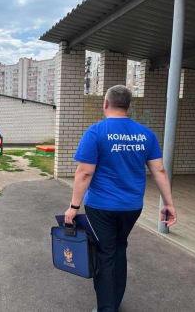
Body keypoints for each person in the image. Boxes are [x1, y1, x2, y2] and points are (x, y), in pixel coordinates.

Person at [64, 85, 177, 312]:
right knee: (118, 249)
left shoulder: (96, 132)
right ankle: (114, 301)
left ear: (105, 104)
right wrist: (168, 204)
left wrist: (73, 206)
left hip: (101, 207)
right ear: (129, 106)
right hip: (132, 207)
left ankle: (107, 308)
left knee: (104, 254)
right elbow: (159, 170)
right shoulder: (146, 134)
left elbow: (85, 173)